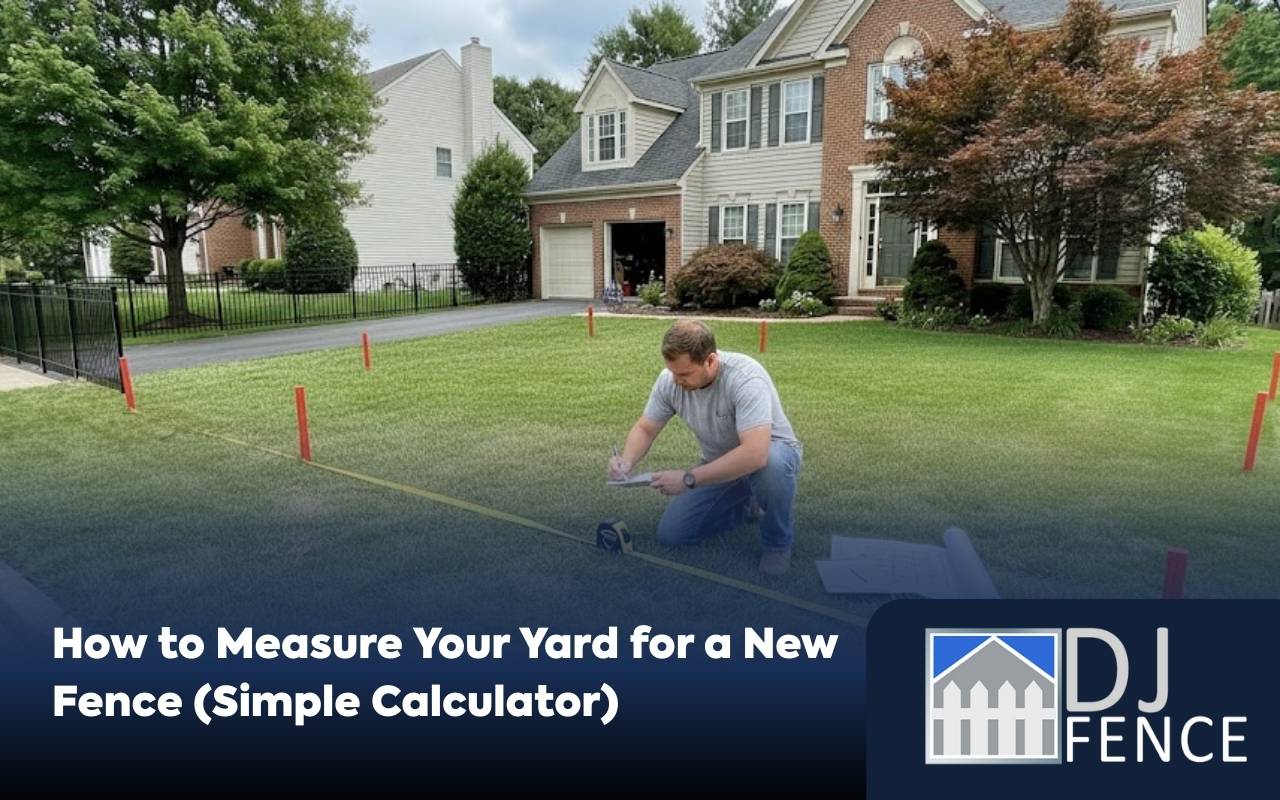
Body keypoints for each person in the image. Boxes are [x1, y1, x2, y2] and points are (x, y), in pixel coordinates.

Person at [607, 320, 803, 575]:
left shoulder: (745, 379)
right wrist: (627, 460)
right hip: (721, 463)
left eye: (684, 374)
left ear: (710, 361)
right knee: (673, 534)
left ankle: (777, 544)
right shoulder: (670, 380)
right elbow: (646, 428)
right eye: (672, 372)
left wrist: (689, 479)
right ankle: (747, 502)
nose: (676, 380)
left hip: (770, 455)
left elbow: (755, 453)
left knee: (772, 466)